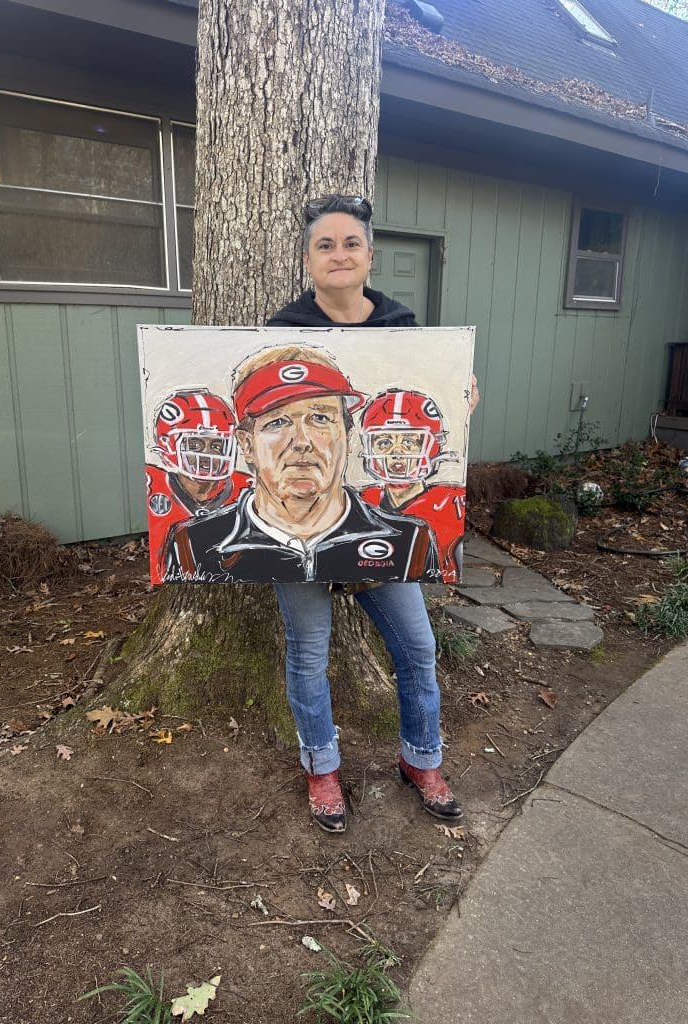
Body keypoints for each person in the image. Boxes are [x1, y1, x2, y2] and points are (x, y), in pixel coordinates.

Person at [264, 193, 479, 833]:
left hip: (380, 526)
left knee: (416, 645)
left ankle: (422, 759)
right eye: (325, 244)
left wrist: (461, 396)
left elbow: (429, 417)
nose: (339, 254)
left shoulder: (405, 329)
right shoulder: (281, 333)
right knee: (308, 652)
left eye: (350, 243)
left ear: (369, 255)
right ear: (308, 259)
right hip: (298, 524)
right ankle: (322, 769)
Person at [164, 345, 437, 584]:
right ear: (246, 445)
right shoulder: (193, 545)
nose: (302, 442)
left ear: (348, 436)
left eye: (320, 418)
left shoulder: (411, 540)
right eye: (278, 422)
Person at [359, 388, 467, 584]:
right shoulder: (361, 501)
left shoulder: (450, 504)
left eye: (409, 441)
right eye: (384, 442)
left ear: (432, 445)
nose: (397, 452)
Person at [145, 389, 252, 584]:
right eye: (194, 445)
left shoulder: (247, 489)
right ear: (167, 445)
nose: (207, 455)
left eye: (216, 445)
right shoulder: (153, 486)